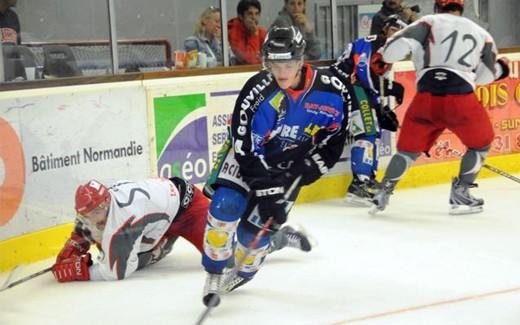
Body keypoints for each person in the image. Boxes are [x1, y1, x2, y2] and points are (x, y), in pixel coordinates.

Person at [200, 25, 351, 307]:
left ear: (301, 60)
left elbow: (336, 138)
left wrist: (313, 167)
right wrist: (265, 189)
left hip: (287, 169)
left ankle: (247, 269)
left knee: (250, 237)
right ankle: (214, 272)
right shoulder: (256, 90)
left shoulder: (332, 90)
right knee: (223, 209)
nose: (282, 72)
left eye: (289, 64)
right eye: (275, 64)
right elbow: (244, 146)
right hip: (248, 158)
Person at [371, 0, 510, 215]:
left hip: (425, 99)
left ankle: (384, 191)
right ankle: (462, 192)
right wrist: (501, 70)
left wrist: (382, 55)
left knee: (407, 151)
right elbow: (485, 77)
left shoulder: (427, 22)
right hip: (460, 100)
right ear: (462, 8)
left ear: (437, 7)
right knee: (481, 144)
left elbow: (391, 52)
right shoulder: (482, 33)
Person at [52, 177, 312, 282]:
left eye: (96, 212)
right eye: (86, 215)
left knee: (228, 256)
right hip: (159, 216)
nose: (91, 218)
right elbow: (88, 223)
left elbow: (117, 272)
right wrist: (76, 242)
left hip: (187, 210)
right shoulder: (105, 207)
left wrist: (79, 271)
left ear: (107, 202)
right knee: (115, 247)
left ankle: (280, 236)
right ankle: (163, 242)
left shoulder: (123, 219)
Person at [331, 15, 406, 206]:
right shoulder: (374, 43)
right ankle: (359, 184)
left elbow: (372, 82)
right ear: (384, 29)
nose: (397, 35)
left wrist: (380, 106)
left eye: (402, 32)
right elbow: (363, 73)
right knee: (367, 130)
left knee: (375, 130)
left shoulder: (388, 51)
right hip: (348, 87)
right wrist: (389, 87)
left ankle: (368, 176)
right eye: (394, 30)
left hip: (359, 90)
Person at [228, 0, 266, 65]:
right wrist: (253, 35)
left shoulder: (261, 32)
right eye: (250, 14)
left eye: (257, 14)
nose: (254, 18)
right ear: (240, 16)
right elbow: (251, 61)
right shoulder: (233, 32)